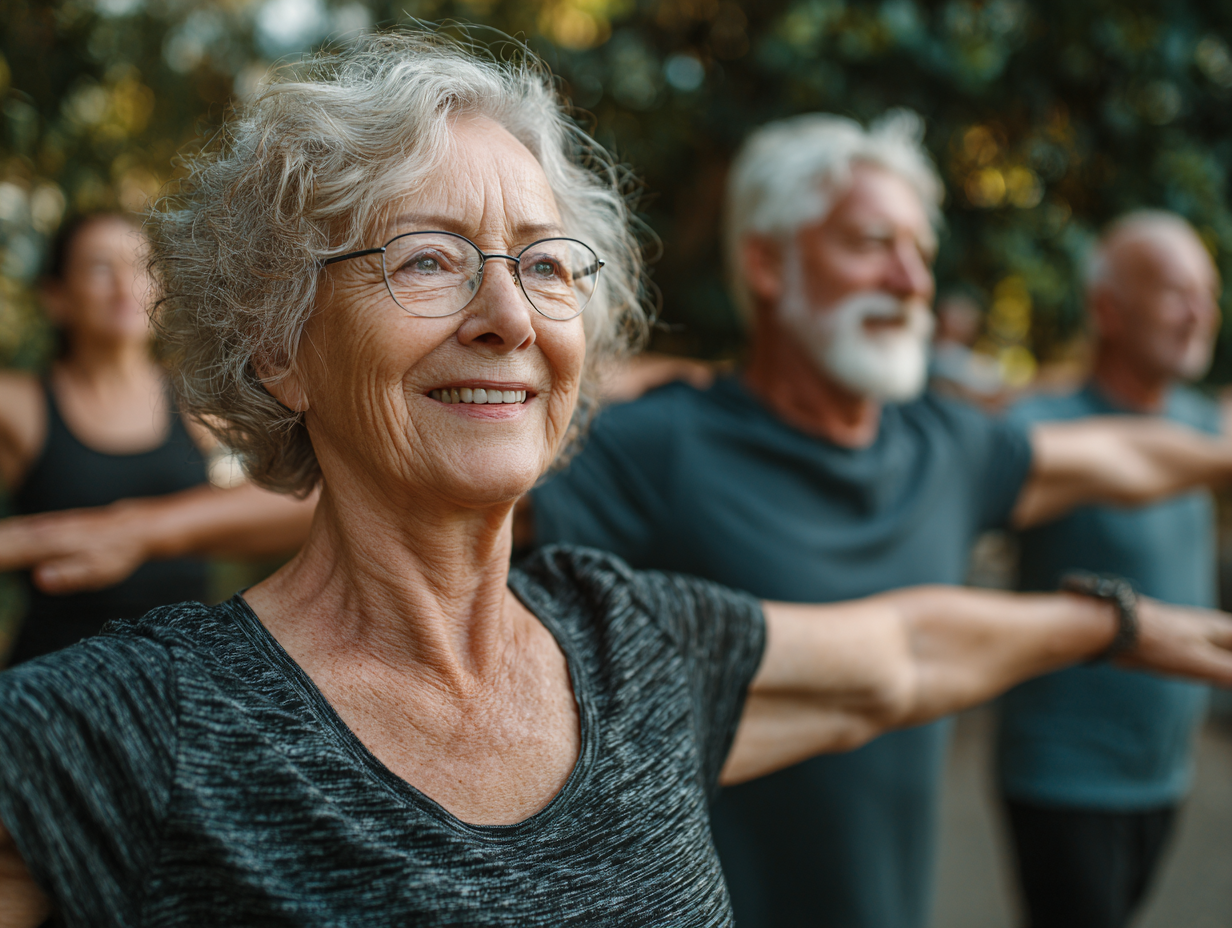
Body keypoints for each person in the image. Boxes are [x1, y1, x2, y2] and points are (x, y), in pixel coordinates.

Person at [5, 33, 1232, 926]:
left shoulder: (630, 640)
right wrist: (137, 521)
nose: (504, 312)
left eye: (546, 265)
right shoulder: (127, 729)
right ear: (278, 348)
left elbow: (901, 651)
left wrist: (1122, 622)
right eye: (427, 259)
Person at [522, 113, 1232, 928]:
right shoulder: (660, 448)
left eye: (921, 253)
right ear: (765, 262)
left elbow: (1128, 457)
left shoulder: (943, 446)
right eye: (870, 243)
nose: (910, 279)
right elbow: (419, 531)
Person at [996, 212, 1223, 928]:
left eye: (1209, 294)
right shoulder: (1041, 429)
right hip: (1064, 776)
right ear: (1106, 308)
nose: (1200, 315)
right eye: (1176, 293)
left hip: (1164, 774)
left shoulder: (1204, 424)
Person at [0, 213, 313, 665]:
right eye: (99, 267)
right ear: (56, 298)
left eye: (140, 265)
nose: (124, 284)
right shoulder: (19, 404)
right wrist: (26, 541)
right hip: (51, 682)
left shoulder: (201, 402)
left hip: (180, 680)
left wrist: (135, 531)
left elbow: (315, 494)